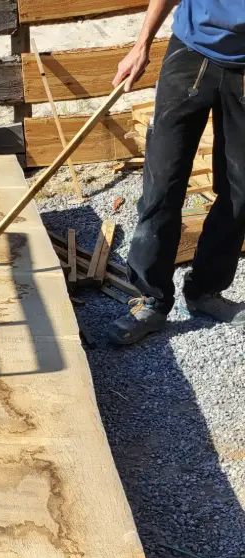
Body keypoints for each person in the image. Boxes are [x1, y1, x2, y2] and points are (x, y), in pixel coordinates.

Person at [108, 0, 245, 346]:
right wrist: (141, 45)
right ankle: (150, 300)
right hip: (191, 53)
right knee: (162, 183)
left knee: (241, 190)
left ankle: (205, 292)